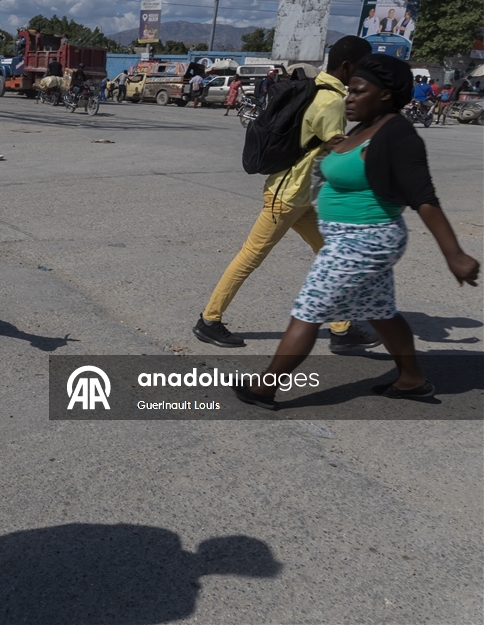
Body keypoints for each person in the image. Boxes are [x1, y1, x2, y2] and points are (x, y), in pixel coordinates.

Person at [234, 54, 479, 410]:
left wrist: (454, 254)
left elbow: (424, 196)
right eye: (349, 91)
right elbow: (354, 168)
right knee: (380, 310)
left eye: (358, 91)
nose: (349, 98)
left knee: (308, 308)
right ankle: (411, 380)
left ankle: (264, 388)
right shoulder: (364, 128)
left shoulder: (397, 134)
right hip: (352, 239)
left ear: (384, 95)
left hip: (364, 241)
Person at [193, 36, 380, 351]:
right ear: (348, 67)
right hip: (288, 196)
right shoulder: (331, 101)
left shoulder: (319, 90)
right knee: (250, 257)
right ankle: (209, 321)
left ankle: (341, 329)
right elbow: (338, 153)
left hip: (301, 196)